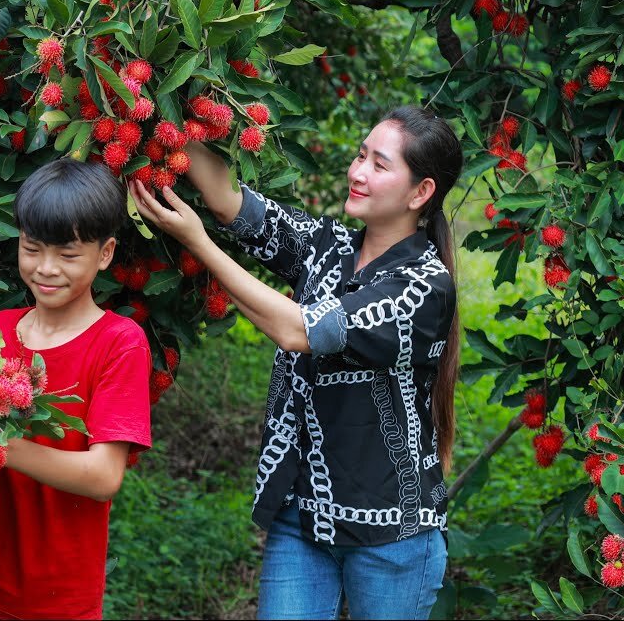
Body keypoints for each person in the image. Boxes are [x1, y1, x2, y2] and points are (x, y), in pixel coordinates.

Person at [129, 105, 461, 620]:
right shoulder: (327, 247)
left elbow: (300, 329)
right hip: (302, 516)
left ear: (420, 193)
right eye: (359, 156)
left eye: (379, 164)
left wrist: (196, 243)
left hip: (392, 533)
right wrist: (153, 111)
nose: (357, 172)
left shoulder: (424, 287)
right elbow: (231, 204)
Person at [0, 158, 152, 620]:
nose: (46, 268)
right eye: (32, 249)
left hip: (53, 604)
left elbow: (104, 476)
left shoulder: (119, 344)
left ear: (105, 253)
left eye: (67, 255)